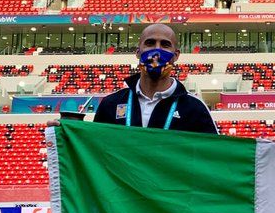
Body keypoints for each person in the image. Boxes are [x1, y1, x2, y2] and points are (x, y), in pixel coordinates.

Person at [50, 24, 217, 134]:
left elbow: (214, 157)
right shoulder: (110, 104)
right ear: (138, 52)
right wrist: (66, 135)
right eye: (150, 43)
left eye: (165, 45)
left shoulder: (195, 108)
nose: (156, 51)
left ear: (176, 55)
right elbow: (96, 152)